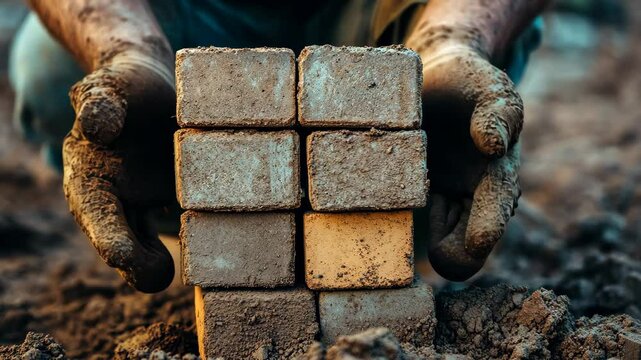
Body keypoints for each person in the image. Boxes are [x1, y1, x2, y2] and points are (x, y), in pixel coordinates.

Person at [10, 0, 548, 292]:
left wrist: (451, 42)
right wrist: (127, 52)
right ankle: (227, 241)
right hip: (200, 14)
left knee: (422, 118)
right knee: (48, 66)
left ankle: (384, 227)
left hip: (395, 15)